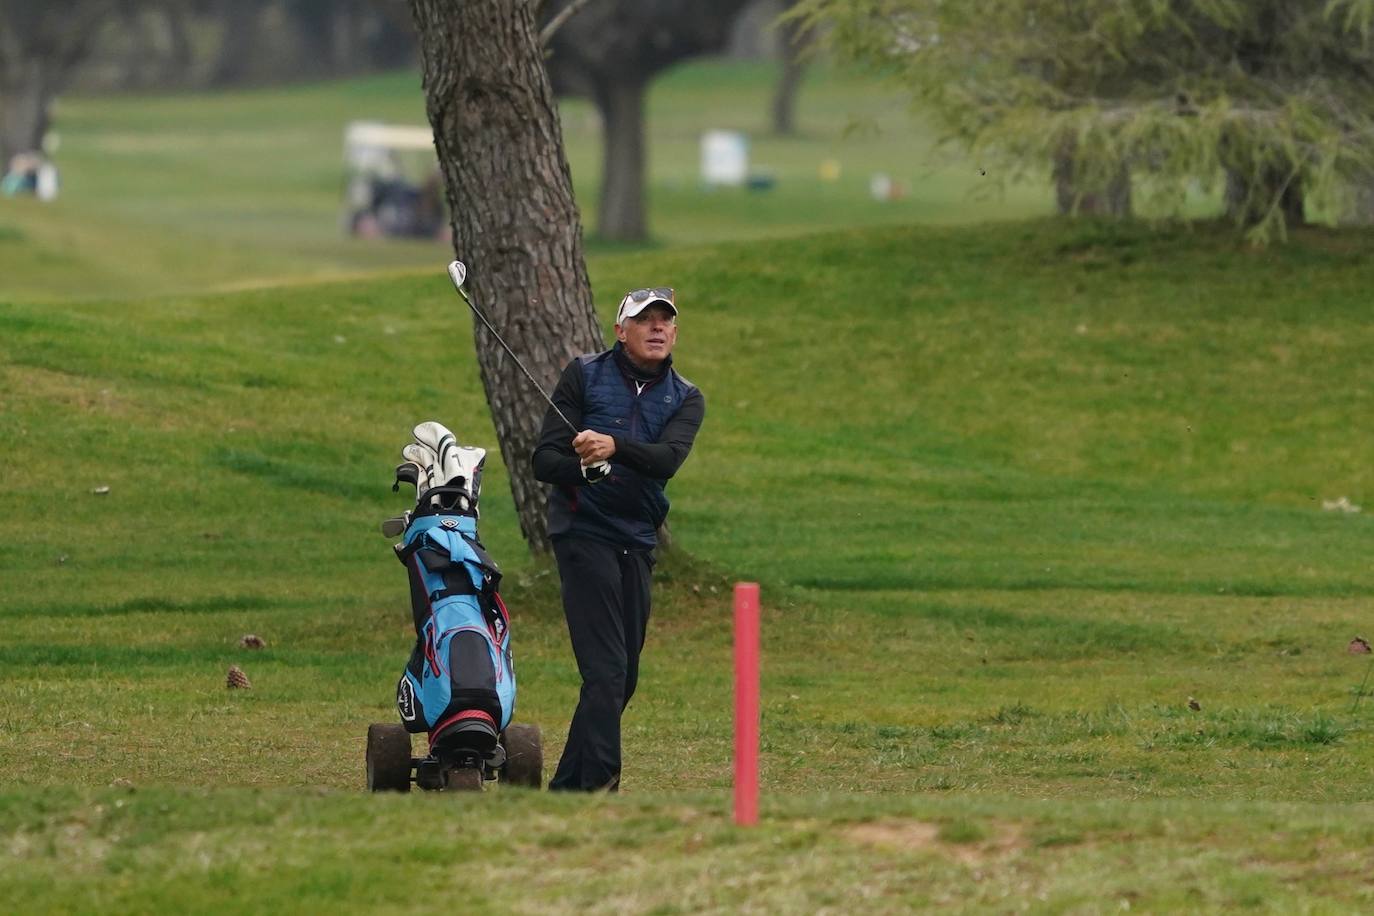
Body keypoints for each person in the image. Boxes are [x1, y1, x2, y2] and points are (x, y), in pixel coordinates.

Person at [531, 287, 706, 791]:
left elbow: (666, 459)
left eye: (665, 321)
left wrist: (614, 446)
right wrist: (586, 470)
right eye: (644, 319)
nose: (656, 328)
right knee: (605, 672)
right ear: (620, 330)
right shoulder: (584, 375)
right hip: (584, 532)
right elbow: (545, 462)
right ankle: (603, 785)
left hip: (636, 536)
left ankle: (568, 789)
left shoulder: (685, 398)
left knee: (621, 678)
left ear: (674, 333)